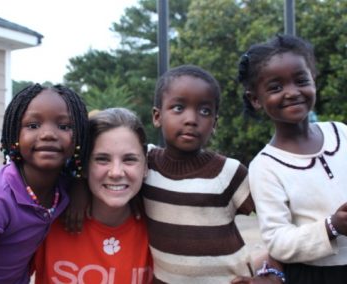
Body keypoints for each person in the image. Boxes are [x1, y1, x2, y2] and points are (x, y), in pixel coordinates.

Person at [142, 64, 278, 283]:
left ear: (214, 124)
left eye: (204, 111)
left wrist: (273, 272)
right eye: (178, 107)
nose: (191, 119)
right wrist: (80, 190)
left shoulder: (228, 172)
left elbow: (280, 222)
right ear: (157, 116)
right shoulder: (143, 164)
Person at [0, 83, 89, 283]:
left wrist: (80, 186)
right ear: (14, 135)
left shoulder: (64, 186)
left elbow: (101, 126)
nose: (48, 134)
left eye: (64, 126)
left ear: (80, 137)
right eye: (33, 125)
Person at [238, 34, 347, 284]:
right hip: (315, 276)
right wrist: (331, 227)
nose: (292, 92)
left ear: (314, 82)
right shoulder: (266, 167)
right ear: (256, 99)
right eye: (275, 87)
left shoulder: (341, 132)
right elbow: (277, 241)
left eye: (301, 80)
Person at [32, 107, 153, 283]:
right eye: (102, 159)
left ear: (146, 166)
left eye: (129, 159)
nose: (116, 172)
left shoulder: (160, 224)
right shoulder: (47, 220)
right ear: (85, 166)